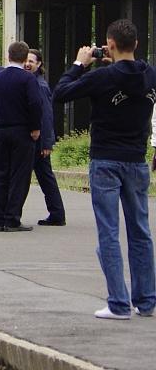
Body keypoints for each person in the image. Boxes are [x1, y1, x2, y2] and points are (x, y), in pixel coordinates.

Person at [53, 19, 156, 320]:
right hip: (137, 161)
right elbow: (134, 74)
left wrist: (78, 64)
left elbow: (60, 93)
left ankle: (118, 304)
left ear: (109, 44)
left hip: (106, 161)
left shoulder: (103, 76)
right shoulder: (150, 74)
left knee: (109, 232)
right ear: (136, 44)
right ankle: (146, 302)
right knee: (141, 232)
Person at [0, 41, 44, 232]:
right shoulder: (28, 79)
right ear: (25, 57)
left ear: (8, 57)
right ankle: (12, 218)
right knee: (19, 175)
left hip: (0, 131)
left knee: (1, 174)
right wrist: (35, 127)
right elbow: (36, 103)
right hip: (22, 131)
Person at [25, 49, 66, 226]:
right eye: (26, 60)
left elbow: (47, 116)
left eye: (31, 61)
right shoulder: (32, 82)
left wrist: (47, 142)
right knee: (45, 177)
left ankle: (57, 213)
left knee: (41, 178)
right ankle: (57, 213)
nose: (27, 64)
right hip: (38, 139)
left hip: (39, 141)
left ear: (39, 64)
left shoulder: (39, 85)